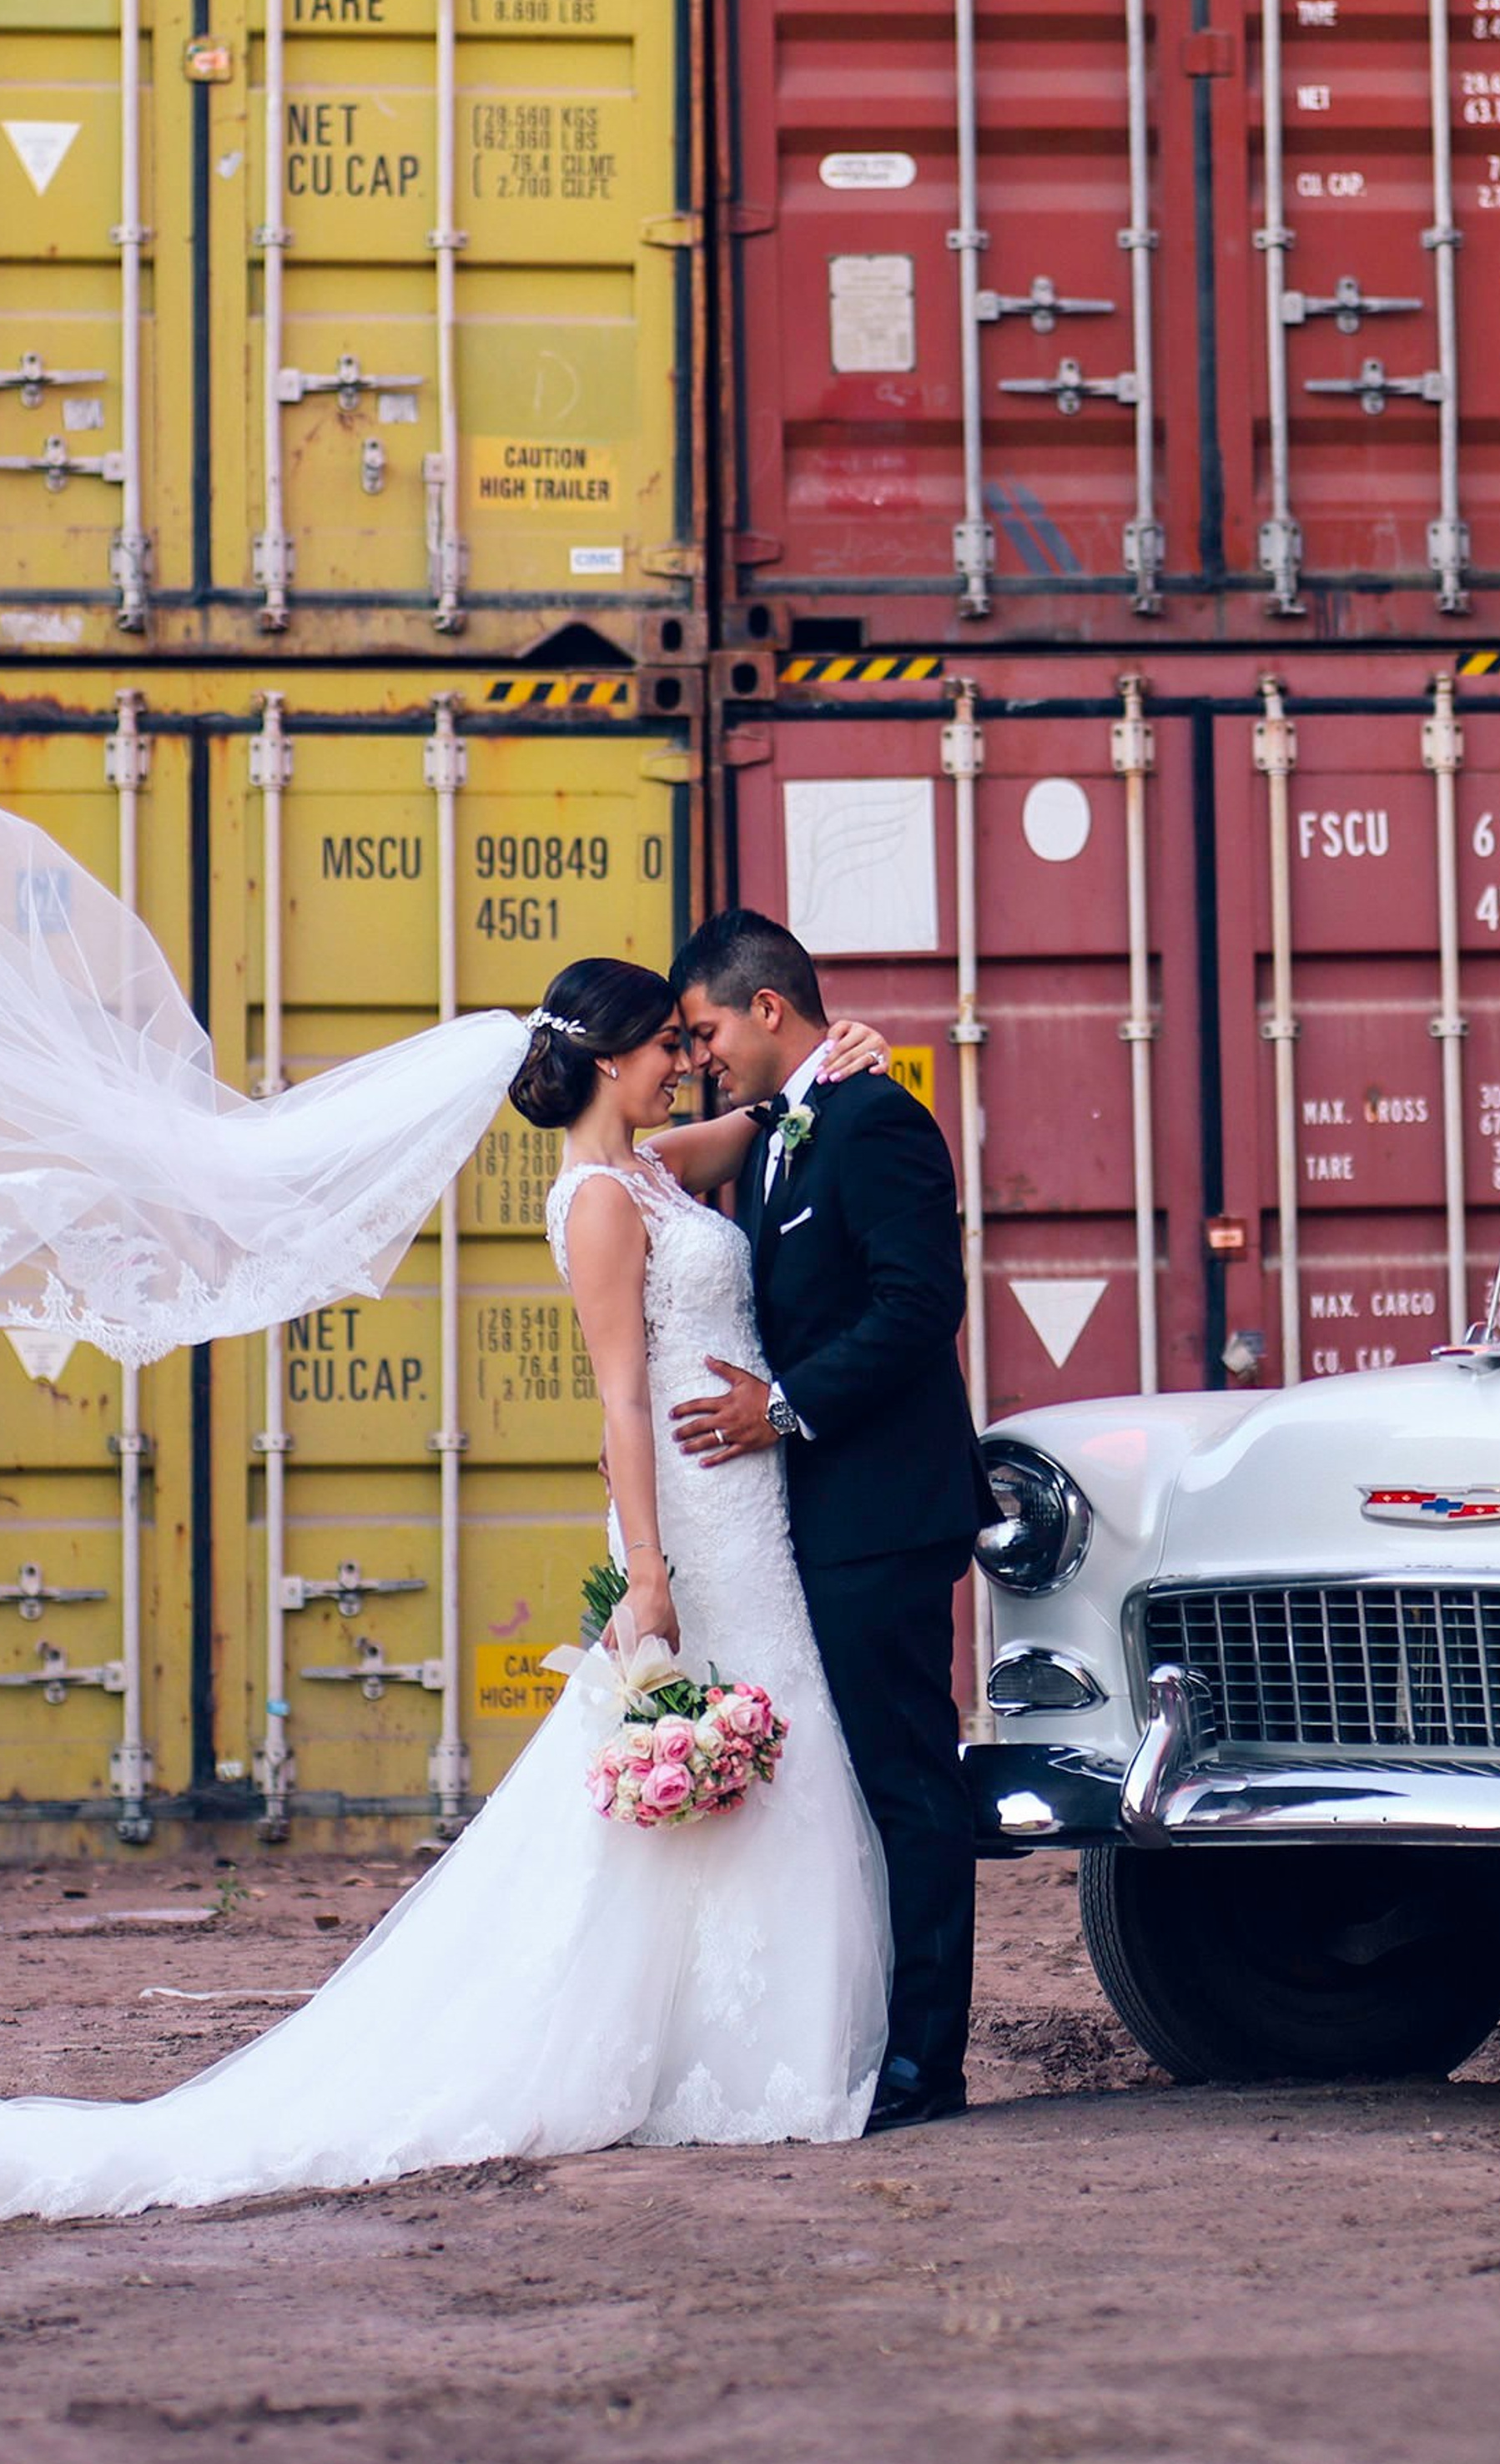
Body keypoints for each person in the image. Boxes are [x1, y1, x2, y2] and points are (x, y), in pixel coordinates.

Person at [0, 809, 904, 2215]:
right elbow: (617, 1407)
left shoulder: (657, 1172)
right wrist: (650, 1576)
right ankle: (720, 2060)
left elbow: (770, 1119)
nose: (691, 1057)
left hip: (748, 1516)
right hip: (694, 1533)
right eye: (671, 1041)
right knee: (705, 1784)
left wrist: (846, 1064)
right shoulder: (602, 1202)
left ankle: (750, 2051)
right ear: (616, 1059)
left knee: (756, 1780)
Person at [667, 912, 993, 2136]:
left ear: (765, 1008)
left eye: (704, 1032)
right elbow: (638, 1153)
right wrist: (764, 1110)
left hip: (886, 1515)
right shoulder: (792, 1127)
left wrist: (784, 1409)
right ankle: (872, 2042)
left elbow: (921, 1308)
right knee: (854, 1786)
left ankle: (926, 2068)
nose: (697, 1057)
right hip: (818, 1516)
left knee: (909, 1785)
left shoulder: (879, 1121)